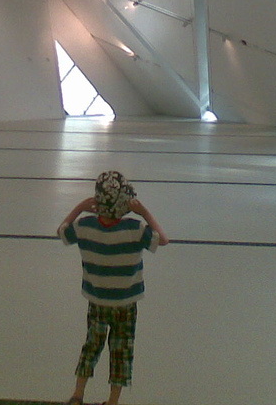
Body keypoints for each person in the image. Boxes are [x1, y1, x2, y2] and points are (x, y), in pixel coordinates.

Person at [58, 171, 169, 405]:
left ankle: (78, 395)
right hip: (126, 304)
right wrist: (145, 212)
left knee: (91, 347)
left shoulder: (84, 225)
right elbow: (163, 239)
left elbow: (62, 232)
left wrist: (79, 207)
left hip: (97, 301)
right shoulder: (136, 229)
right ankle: (113, 401)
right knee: (121, 353)